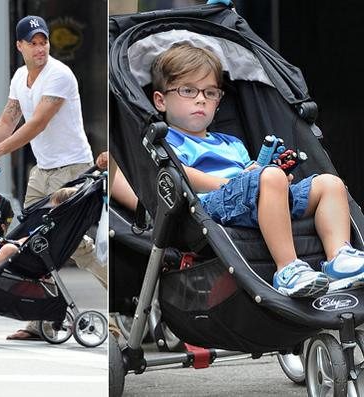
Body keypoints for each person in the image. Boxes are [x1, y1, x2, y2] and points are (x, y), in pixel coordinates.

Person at [152, 42, 364, 298]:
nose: (201, 99)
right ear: (161, 101)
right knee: (269, 178)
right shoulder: (168, 141)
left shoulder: (231, 142)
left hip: (253, 197)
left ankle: (339, 258)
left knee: (330, 184)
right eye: (188, 90)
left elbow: (252, 170)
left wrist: (271, 175)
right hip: (211, 206)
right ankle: (288, 269)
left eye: (210, 93)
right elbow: (180, 173)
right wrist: (238, 182)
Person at [0, 15, 104, 341]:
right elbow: (7, 120)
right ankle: (41, 320)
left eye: (44, 42)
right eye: (33, 43)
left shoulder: (59, 75)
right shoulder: (20, 76)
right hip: (42, 170)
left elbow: (36, 124)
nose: (40, 48)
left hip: (70, 169)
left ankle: (123, 299)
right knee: (34, 244)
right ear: (20, 46)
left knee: (71, 245)